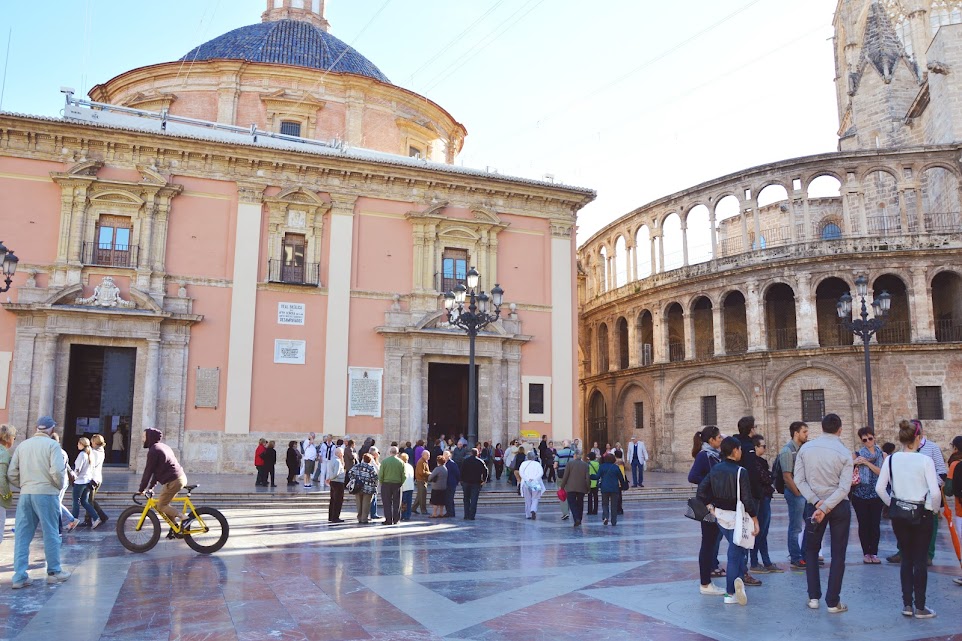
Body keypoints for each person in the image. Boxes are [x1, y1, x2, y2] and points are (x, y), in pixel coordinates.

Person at [875, 420, 941, 618]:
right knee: (920, 560)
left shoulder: (891, 460)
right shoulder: (924, 461)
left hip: (899, 515)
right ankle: (920, 606)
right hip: (921, 513)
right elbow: (935, 493)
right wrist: (932, 509)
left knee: (906, 558)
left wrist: (891, 504)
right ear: (918, 439)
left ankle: (907, 605)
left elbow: (880, 488)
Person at [795, 413, 853, 613]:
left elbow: (799, 480)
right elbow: (844, 488)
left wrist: (817, 502)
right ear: (840, 429)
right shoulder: (845, 453)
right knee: (838, 553)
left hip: (815, 504)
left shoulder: (806, 449)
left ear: (821, 427)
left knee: (811, 550)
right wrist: (826, 505)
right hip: (838, 505)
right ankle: (832, 601)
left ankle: (813, 597)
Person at [9, 416, 70, 588]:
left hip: (26, 493)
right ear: (51, 429)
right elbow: (58, 472)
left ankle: (19, 577)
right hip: (46, 494)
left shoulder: (23, 445)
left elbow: (12, 473)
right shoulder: (53, 446)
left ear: (37, 428)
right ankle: (54, 572)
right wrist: (57, 487)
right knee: (50, 532)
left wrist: (24, 484)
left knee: (22, 536)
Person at [697, 436, 758, 606]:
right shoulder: (741, 471)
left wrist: (711, 507)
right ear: (735, 450)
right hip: (736, 517)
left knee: (737, 550)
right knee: (734, 553)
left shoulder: (715, 468)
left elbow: (701, 491)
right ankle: (730, 593)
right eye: (739, 449)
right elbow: (747, 499)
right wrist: (755, 519)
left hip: (720, 516)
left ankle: (738, 582)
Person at [689, 425, 725, 594]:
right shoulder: (704, 456)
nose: (721, 440)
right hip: (707, 505)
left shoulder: (716, 455)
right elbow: (692, 476)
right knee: (708, 543)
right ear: (711, 440)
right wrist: (710, 480)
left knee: (712, 541)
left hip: (716, 504)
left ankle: (709, 578)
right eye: (719, 438)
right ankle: (705, 583)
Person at [138, 427, 189, 538]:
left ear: (149, 437)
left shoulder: (154, 450)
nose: (142, 439)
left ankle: (183, 517)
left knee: (161, 506)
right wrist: (150, 487)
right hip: (179, 477)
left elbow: (148, 471)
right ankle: (176, 529)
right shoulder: (162, 447)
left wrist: (141, 489)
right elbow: (157, 470)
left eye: (143, 436)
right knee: (165, 504)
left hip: (174, 480)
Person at [778, 421, 810, 570]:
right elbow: (786, 476)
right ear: (796, 433)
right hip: (795, 493)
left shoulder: (804, 448)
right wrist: (797, 493)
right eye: (804, 432)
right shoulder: (787, 450)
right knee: (796, 527)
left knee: (810, 524)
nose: (806, 434)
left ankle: (805, 554)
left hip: (806, 493)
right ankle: (796, 557)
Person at [748, 434, 781, 573]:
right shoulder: (754, 462)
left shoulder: (761, 461)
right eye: (763, 446)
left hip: (765, 497)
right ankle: (755, 562)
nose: (765, 448)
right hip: (760, 498)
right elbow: (765, 478)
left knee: (764, 531)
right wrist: (770, 476)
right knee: (759, 531)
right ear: (756, 447)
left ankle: (766, 561)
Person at [851, 427, 885, 564]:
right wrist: (855, 462)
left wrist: (866, 463)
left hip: (876, 494)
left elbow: (882, 472)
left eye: (870, 438)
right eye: (864, 440)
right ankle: (866, 552)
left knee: (875, 525)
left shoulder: (882, 455)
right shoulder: (857, 454)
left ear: (874, 437)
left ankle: (874, 553)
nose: (868, 441)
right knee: (863, 525)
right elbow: (846, 467)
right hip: (860, 495)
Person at [70, 437, 100, 529]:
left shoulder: (82, 455)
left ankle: (73, 521)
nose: (77, 445)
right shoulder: (89, 454)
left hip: (80, 481)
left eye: (78, 443)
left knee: (76, 501)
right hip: (87, 481)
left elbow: (78, 469)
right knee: (84, 501)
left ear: (82, 444)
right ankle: (96, 517)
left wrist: (72, 475)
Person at [559, 453, 590, 526]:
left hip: (570, 487)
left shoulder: (569, 464)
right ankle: (579, 518)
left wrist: (562, 486)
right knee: (580, 503)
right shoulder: (585, 465)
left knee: (572, 503)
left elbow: (565, 476)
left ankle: (576, 518)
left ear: (574, 456)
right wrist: (588, 487)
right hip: (581, 487)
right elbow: (587, 477)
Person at [377, 446, 404, 526]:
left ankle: (388, 520)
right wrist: (401, 482)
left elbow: (381, 474)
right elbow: (404, 475)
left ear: (390, 452)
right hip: (397, 484)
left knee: (386, 503)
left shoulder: (385, 461)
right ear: (397, 453)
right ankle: (396, 519)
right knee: (397, 502)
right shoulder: (401, 462)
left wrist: (382, 482)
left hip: (386, 484)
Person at [349, 453, 378, 524]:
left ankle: (359, 517)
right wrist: (374, 485)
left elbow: (350, 473)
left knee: (359, 503)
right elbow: (375, 478)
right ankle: (364, 518)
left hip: (358, 488)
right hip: (368, 488)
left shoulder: (357, 466)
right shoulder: (371, 468)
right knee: (366, 503)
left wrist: (354, 480)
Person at [597, 453, 626, 526]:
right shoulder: (616, 467)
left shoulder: (602, 466)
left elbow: (597, 476)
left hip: (604, 488)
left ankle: (606, 516)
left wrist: (590, 476)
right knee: (614, 505)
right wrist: (623, 486)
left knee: (605, 504)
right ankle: (614, 520)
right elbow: (621, 478)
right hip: (614, 488)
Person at [460, 448, 488, 520]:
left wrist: (461, 480)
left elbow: (462, 471)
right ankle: (472, 516)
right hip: (476, 483)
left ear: (471, 453)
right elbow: (486, 471)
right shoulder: (480, 461)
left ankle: (466, 515)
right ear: (477, 453)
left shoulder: (466, 461)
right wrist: (484, 480)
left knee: (466, 499)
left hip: (466, 482)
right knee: (474, 500)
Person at [516, 451, 545, 519]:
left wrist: (527, 479)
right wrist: (535, 479)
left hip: (526, 482)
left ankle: (528, 514)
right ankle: (533, 509)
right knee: (535, 497)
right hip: (535, 482)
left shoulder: (523, 464)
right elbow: (541, 472)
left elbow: (521, 473)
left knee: (527, 499)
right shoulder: (537, 464)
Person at [87, 434, 108, 527]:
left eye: (92, 441)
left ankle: (88, 519)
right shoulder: (102, 451)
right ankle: (103, 516)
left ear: (95, 442)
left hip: (93, 479)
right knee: (91, 499)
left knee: (89, 500)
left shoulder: (94, 452)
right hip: (98, 478)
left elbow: (91, 465)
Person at [0, 424, 16, 545]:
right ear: (8, 437)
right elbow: (1, 477)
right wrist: (6, 495)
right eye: (14, 437)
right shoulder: (3, 453)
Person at [326, 447, 346, 523]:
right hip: (338, 482)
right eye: (342, 453)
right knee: (338, 500)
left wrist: (329, 478)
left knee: (333, 500)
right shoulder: (338, 461)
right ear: (340, 453)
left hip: (333, 482)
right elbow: (336, 473)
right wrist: (330, 478)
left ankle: (331, 516)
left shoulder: (332, 460)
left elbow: (330, 471)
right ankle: (335, 517)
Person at [443, 450, 461, 518]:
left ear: (449, 456)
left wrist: (457, 481)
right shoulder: (444, 463)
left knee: (449, 498)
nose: (444, 456)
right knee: (448, 499)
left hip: (451, 483)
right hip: (446, 483)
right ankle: (450, 512)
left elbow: (457, 473)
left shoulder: (452, 464)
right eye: (444, 455)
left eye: (446, 455)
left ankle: (450, 512)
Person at [414, 449, 430, 515]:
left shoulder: (425, 461)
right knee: (422, 496)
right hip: (421, 480)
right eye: (427, 455)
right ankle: (423, 510)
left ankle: (413, 508)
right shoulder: (421, 462)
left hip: (423, 480)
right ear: (423, 455)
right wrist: (429, 473)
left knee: (419, 496)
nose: (429, 456)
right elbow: (421, 472)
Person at [399, 452, 415, 521]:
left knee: (404, 502)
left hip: (404, 486)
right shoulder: (410, 466)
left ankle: (404, 515)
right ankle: (408, 515)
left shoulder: (401, 466)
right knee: (409, 501)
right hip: (410, 486)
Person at [586, 451, 600, 515]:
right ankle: (595, 510)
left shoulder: (588, 464)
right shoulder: (597, 464)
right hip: (596, 481)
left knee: (589, 497)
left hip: (589, 482)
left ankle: (589, 510)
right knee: (595, 497)